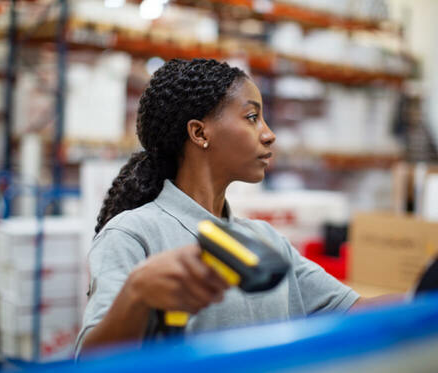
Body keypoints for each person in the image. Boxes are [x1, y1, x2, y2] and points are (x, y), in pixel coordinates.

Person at [76, 58, 392, 358]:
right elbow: (90, 362)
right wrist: (137, 295)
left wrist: (435, 292)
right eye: (252, 117)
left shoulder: (264, 241)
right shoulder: (133, 234)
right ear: (199, 133)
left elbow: (355, 310)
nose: (269, 135)